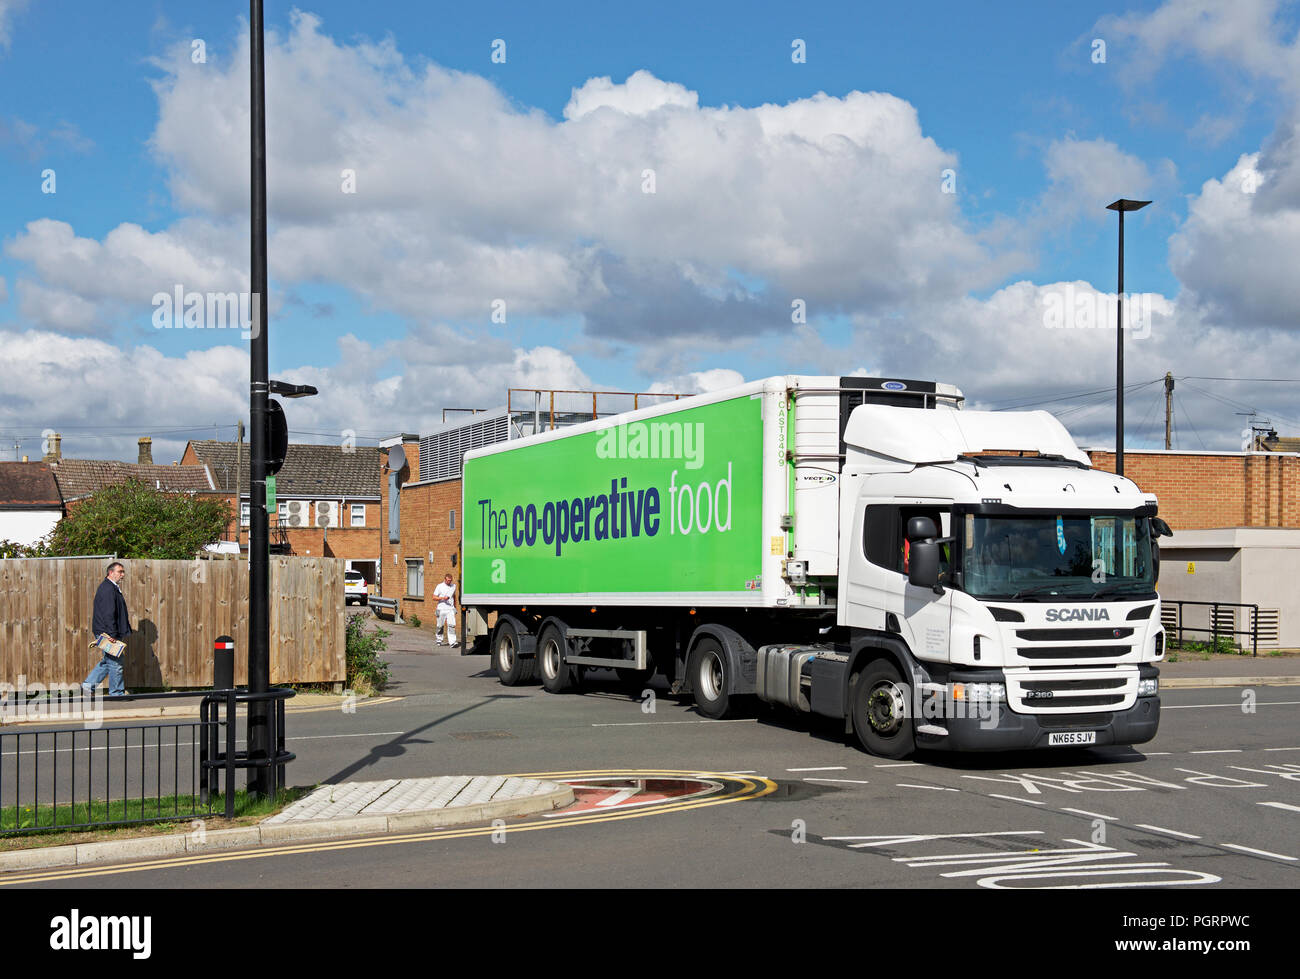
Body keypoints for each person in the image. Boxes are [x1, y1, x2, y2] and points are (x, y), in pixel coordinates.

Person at [83, 561, 132, 697]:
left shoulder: (111, 587)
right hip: (108, 633)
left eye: (123, 572)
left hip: (108, 632)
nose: (122, 575)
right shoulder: (108, 588)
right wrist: (111, 634)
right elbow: (108, 613)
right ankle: (116, 693)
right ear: (111, 573)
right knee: (116, 663)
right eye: (120, 572)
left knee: (108, 661)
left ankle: (88, 686)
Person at [433, 573, 457, 646]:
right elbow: (434, 597)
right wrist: (443, 598)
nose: (449, 582)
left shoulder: (453, 586)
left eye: (450, 580)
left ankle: (452, 642)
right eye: (448, 580)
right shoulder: (439, 586)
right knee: (440, 626)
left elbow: (454, 597)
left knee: (451, 625)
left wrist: (454, 607)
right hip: (441, 608)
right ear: (445, 579)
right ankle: (439, 639)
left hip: (450, 609)